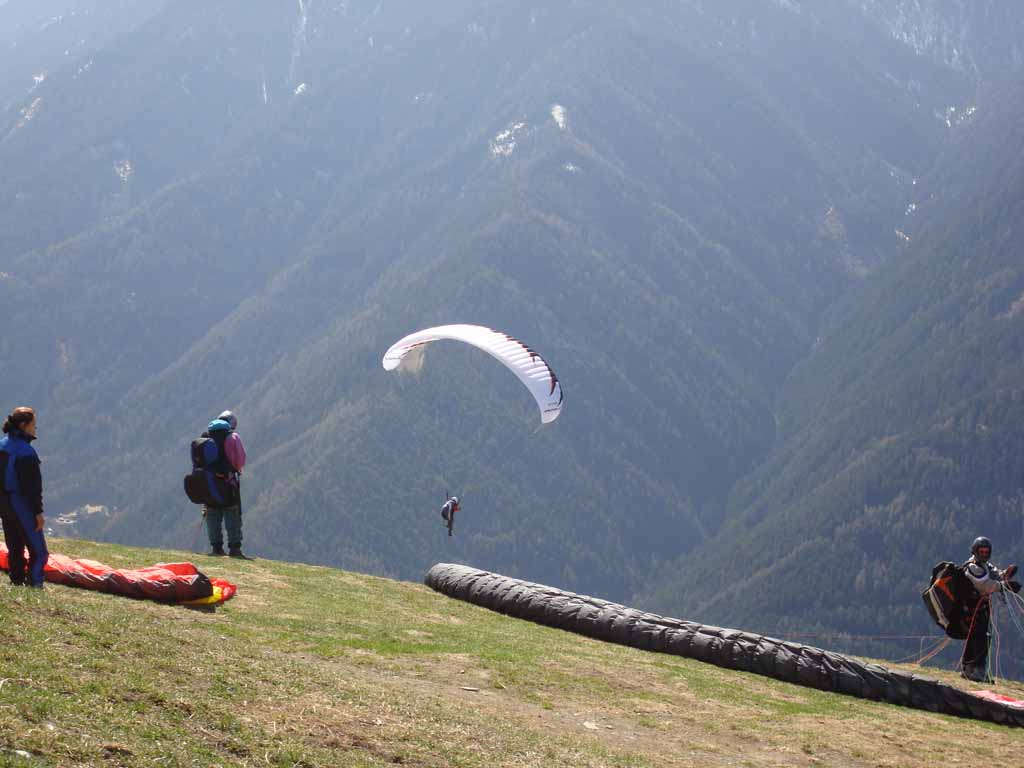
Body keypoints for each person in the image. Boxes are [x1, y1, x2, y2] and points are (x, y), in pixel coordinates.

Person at [0, 407, 48, 588]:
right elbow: (32, 488)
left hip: (3, 505)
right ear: (23, 425)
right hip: (21, 504)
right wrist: (38, 513)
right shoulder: (26, 453)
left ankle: (17, 581)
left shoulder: (2, 445)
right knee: (39, 552)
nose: (36, 428)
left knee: (15, 547)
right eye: (33, 424)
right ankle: (35, 585)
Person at [960, 536, 1017, 682]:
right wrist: (1004, 586)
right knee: (980, 637)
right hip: (971, 608)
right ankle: (976, 670)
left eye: (986, 552)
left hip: (981, 607)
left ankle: (969, 669)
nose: (984, 554)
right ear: (975, 551)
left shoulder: (985, 565)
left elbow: (995, 575)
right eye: (982, 551)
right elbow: (985, 585)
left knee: (979, 636)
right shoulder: (972, 567)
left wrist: (1006, 574)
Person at [202, 410, 247, 558]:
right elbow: (240, 461)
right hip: (228, 482)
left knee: (212, 513)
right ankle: (234, 548)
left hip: (209, 484)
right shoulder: (233, 437)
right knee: (231, 513)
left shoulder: (206, 437)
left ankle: (216, 548)